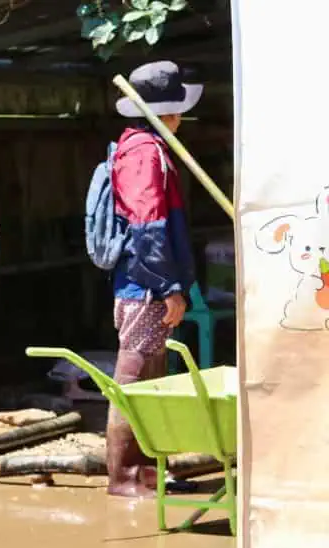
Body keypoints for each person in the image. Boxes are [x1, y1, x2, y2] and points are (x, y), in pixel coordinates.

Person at [106, 60, 200, 498]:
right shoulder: (145, 152)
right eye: (177, 110)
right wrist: (168, 288)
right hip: (145, 285)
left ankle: (146, 473)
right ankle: (125, 477)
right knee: (135, 375)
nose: (181, 119)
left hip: (145, 282)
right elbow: (147, 223)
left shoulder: (145, 148)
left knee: (150, 377)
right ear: (164, 114)